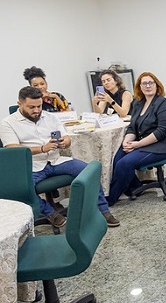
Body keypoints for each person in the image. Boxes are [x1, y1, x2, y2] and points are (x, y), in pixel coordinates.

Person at [0, 86, 120, 227]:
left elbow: (66, 137)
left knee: (90, 172)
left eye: (39, 106)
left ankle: (103, 211)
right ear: (19, 104)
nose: (37, 110)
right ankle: (50, 213)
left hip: (56, 161)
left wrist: (66, 142)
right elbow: (12, 148)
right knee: (20, 191)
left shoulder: (51, 117)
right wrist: (42, 149)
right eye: (31, 107)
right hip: (32, 166)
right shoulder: (7, 123)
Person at [107, 72, 166, 205]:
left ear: (157, 85)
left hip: (162, 146)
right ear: (139, 87)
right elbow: (133, 127)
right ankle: (135, 187)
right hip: (143, 143)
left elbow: (162, 132)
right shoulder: (139, 104)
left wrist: (137, 144)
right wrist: (127, 141)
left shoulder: (163, 103)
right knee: (118, 158)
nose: (148, 86)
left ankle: (109, 199)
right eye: (144, 83)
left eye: (151, 83)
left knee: (124, 163)